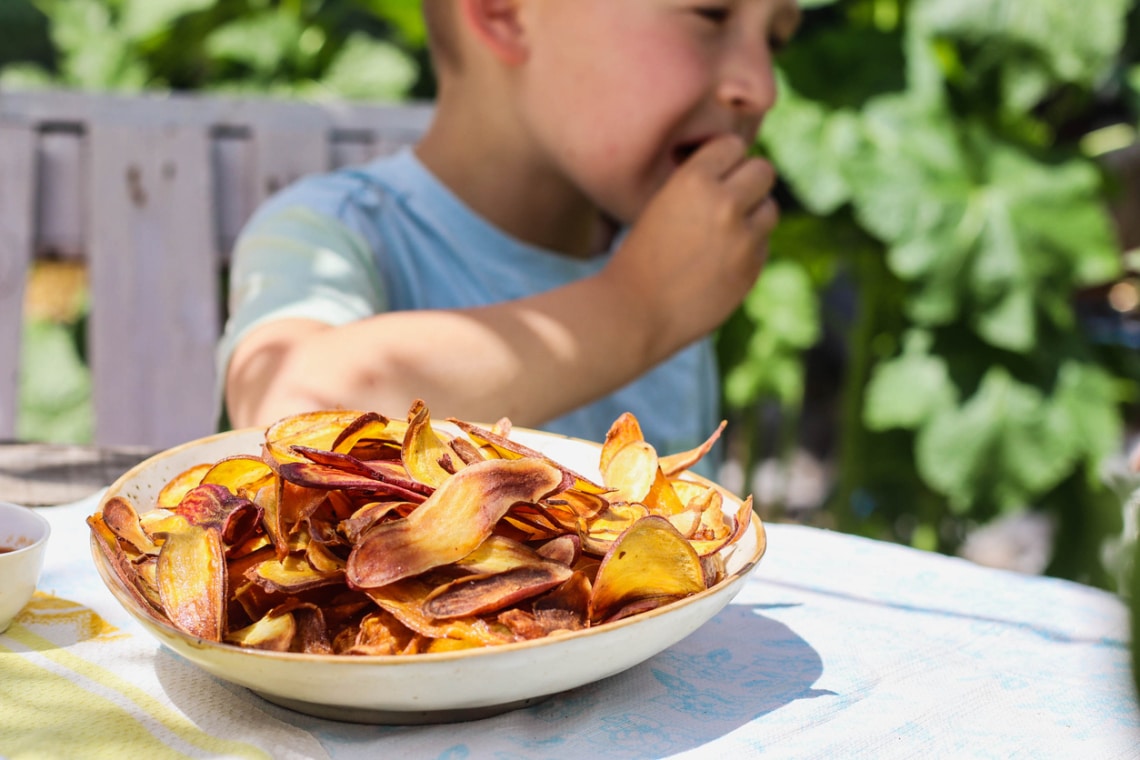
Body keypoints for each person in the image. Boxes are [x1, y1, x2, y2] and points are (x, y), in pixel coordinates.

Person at [216, 0, 799, 473]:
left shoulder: (668, 265)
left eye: (774, 39)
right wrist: (637, 310)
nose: (762, 87)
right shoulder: (336, 230)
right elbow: (292, 416)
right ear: (505, 12)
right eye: (712, 15)